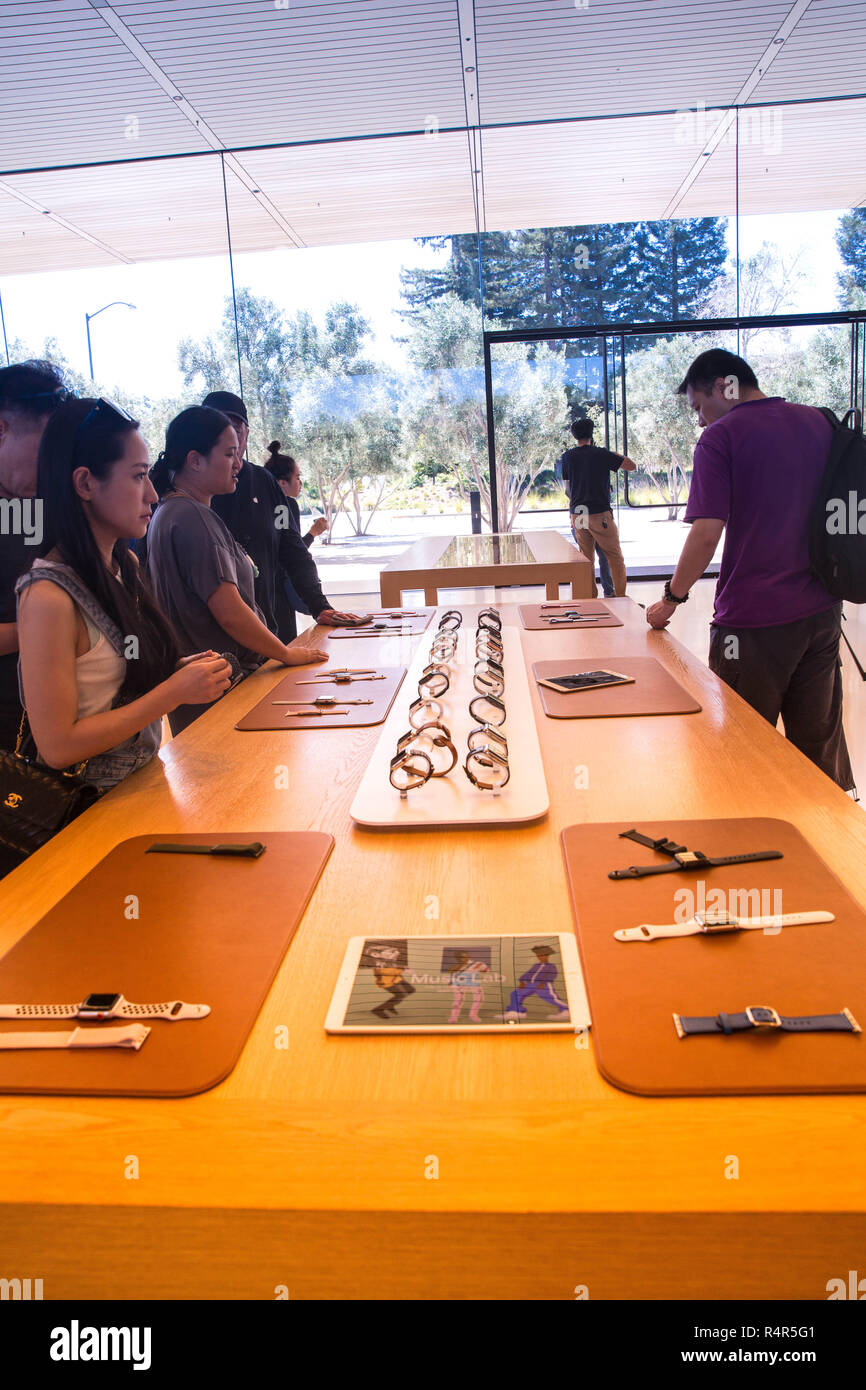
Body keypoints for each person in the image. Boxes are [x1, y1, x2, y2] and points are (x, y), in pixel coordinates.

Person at [646, 348, 854, 792]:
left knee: (740, 747)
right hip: (821, 612)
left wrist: (671, 599)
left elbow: (706, 533)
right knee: (818, 747)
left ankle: (744, 842)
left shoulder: (721, 438)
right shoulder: (819, 421)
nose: (700, 420)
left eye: (699, 406)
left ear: (725, 385)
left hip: (752, 623)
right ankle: (830, 848)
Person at [14, 397, 233, 800]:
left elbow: (120, 679)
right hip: (83, 809)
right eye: (137, 477)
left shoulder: (124, 564)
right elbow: (58, 746)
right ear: (84, 484)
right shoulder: (47, 596)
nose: (152, 493)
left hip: (143, 787)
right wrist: (172, 692)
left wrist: (179, 671)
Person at [145, 406, 328, 735]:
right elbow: (229, 611)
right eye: (229, 454)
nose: (239, 464)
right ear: (195, 460)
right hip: (223, 694)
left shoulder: (171, 510)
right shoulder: (191, 516)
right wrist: (284, 652)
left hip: (208, 697)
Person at [202, 392, 363, 643]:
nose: (228, 439)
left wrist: (319, 606)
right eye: (218, 429)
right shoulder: (189, 500)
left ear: (246, 433)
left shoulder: (264, 484)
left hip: (270, 624)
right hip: (214, 643)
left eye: (235, 429)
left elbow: (290, 547)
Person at [0, 360, 69, 752]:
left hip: (59, 735)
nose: (51, 467)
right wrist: (60, 625)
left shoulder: (41, 503)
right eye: (44, 448)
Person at [557, 420, 635, 597]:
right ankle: (621, 597)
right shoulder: (601, 454)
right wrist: (613, 454)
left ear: (574, 435)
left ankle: (589, 598)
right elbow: (631, 466)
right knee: (614, 556)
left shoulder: (567, 456)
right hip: (599, 513)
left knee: (586, 559)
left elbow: (567, 490)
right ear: (592, 434)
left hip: (579, 513)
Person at [264, 440, 329, 626]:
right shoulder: (284, 506)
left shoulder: (264, 505)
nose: (300, 483)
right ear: (282, 483)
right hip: (280, 592)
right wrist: (313, 533)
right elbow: (289, 551)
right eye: (297, 477)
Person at [500, 946, 570, 1022]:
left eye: (543, 955)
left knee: (552, 998)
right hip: (531, 984)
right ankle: (516, 1011)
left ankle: (566, 1010)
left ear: (547, 956)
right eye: (539, 956)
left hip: (544, 984)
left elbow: (552, 975)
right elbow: (528, 974)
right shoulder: (536, 966)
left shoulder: (551, 966)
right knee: (515, 993)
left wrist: (544, 982)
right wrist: (522, 981)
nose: (541, 957)